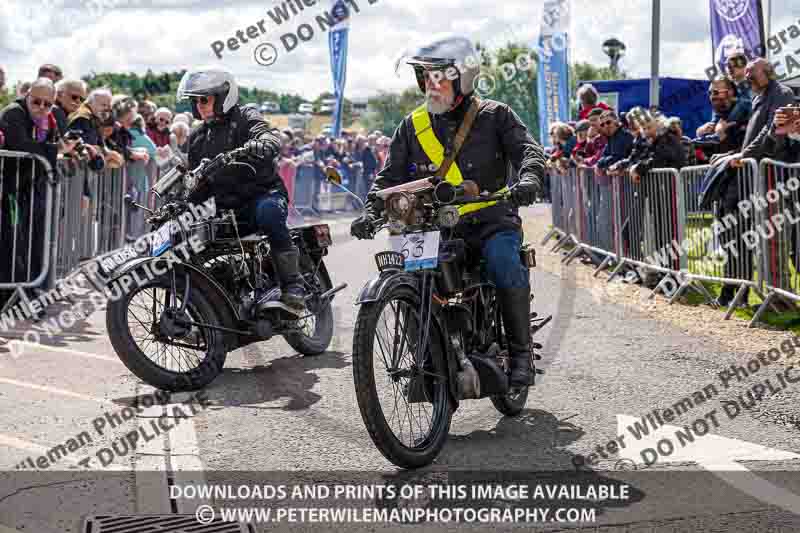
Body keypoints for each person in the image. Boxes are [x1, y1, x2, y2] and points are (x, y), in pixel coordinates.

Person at [350, 35, 545, 389]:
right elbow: (388, 178)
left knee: (503, 262)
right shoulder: (412, 125)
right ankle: (425, 359)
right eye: (425, 77)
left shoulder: (495, 115)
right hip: (430, 226)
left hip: (490, 219)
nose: (430, 85)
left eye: (438, 76)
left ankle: (520, 355)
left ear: (463, 77)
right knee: (405, 275)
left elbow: (530, 152)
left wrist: (529, 180)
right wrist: (371, 210)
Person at [176, 67, 306, 312]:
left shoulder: (246, 117)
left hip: (262, 196)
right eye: (195, 101)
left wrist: (264, 142)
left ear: (224, 96)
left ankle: (292, 285)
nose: (199, 106)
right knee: (188, 233)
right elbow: (196, 182)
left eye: (205, 99)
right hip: (228, 209)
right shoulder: (197, 137)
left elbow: (266, 134)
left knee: (268, 212)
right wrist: (181, 202)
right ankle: (205, 308)